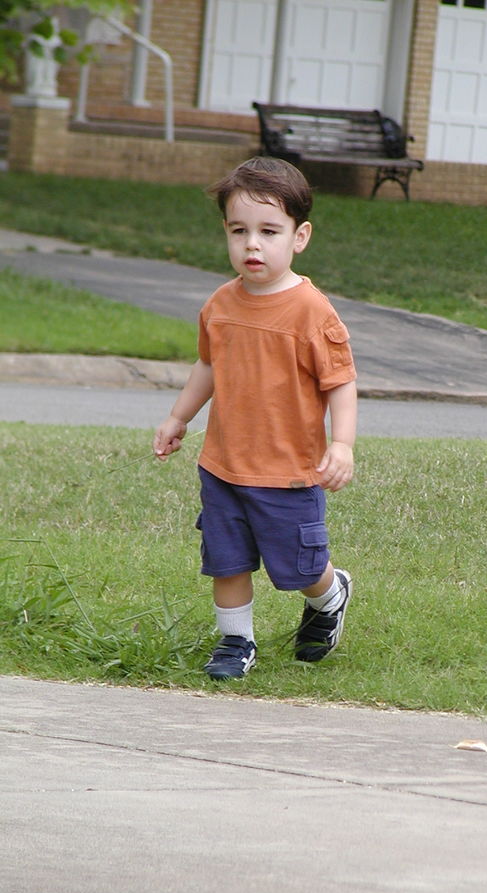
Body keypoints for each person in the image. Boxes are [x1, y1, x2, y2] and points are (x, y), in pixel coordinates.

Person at [153, 157, 357, 679]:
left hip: (288, 472)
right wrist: (179, 417)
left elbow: (340, 382)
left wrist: (342, 445)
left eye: (269, 231)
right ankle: (235, 641)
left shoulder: (312, 311)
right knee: (227, 561)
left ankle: (329, 596)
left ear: (299, 236)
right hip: (223, 466)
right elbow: (209, 365)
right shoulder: (221, 304)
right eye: (239, 230)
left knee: (301, 569)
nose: (252, 244)